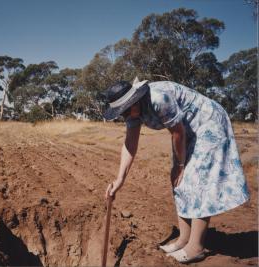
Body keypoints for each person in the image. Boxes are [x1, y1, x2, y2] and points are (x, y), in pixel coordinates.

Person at [103, 77, 250, 264]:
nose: (123, 116)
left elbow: (178, 132)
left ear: (134, 100)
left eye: (124, 111)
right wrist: (119, 179)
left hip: (208, 123)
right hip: (187, 132)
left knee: (198, 180)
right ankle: (183, 238)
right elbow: (130, 144)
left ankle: (196, 246)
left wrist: (180, 165)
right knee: (178, 181)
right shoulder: (133, 113)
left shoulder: (158, 98)